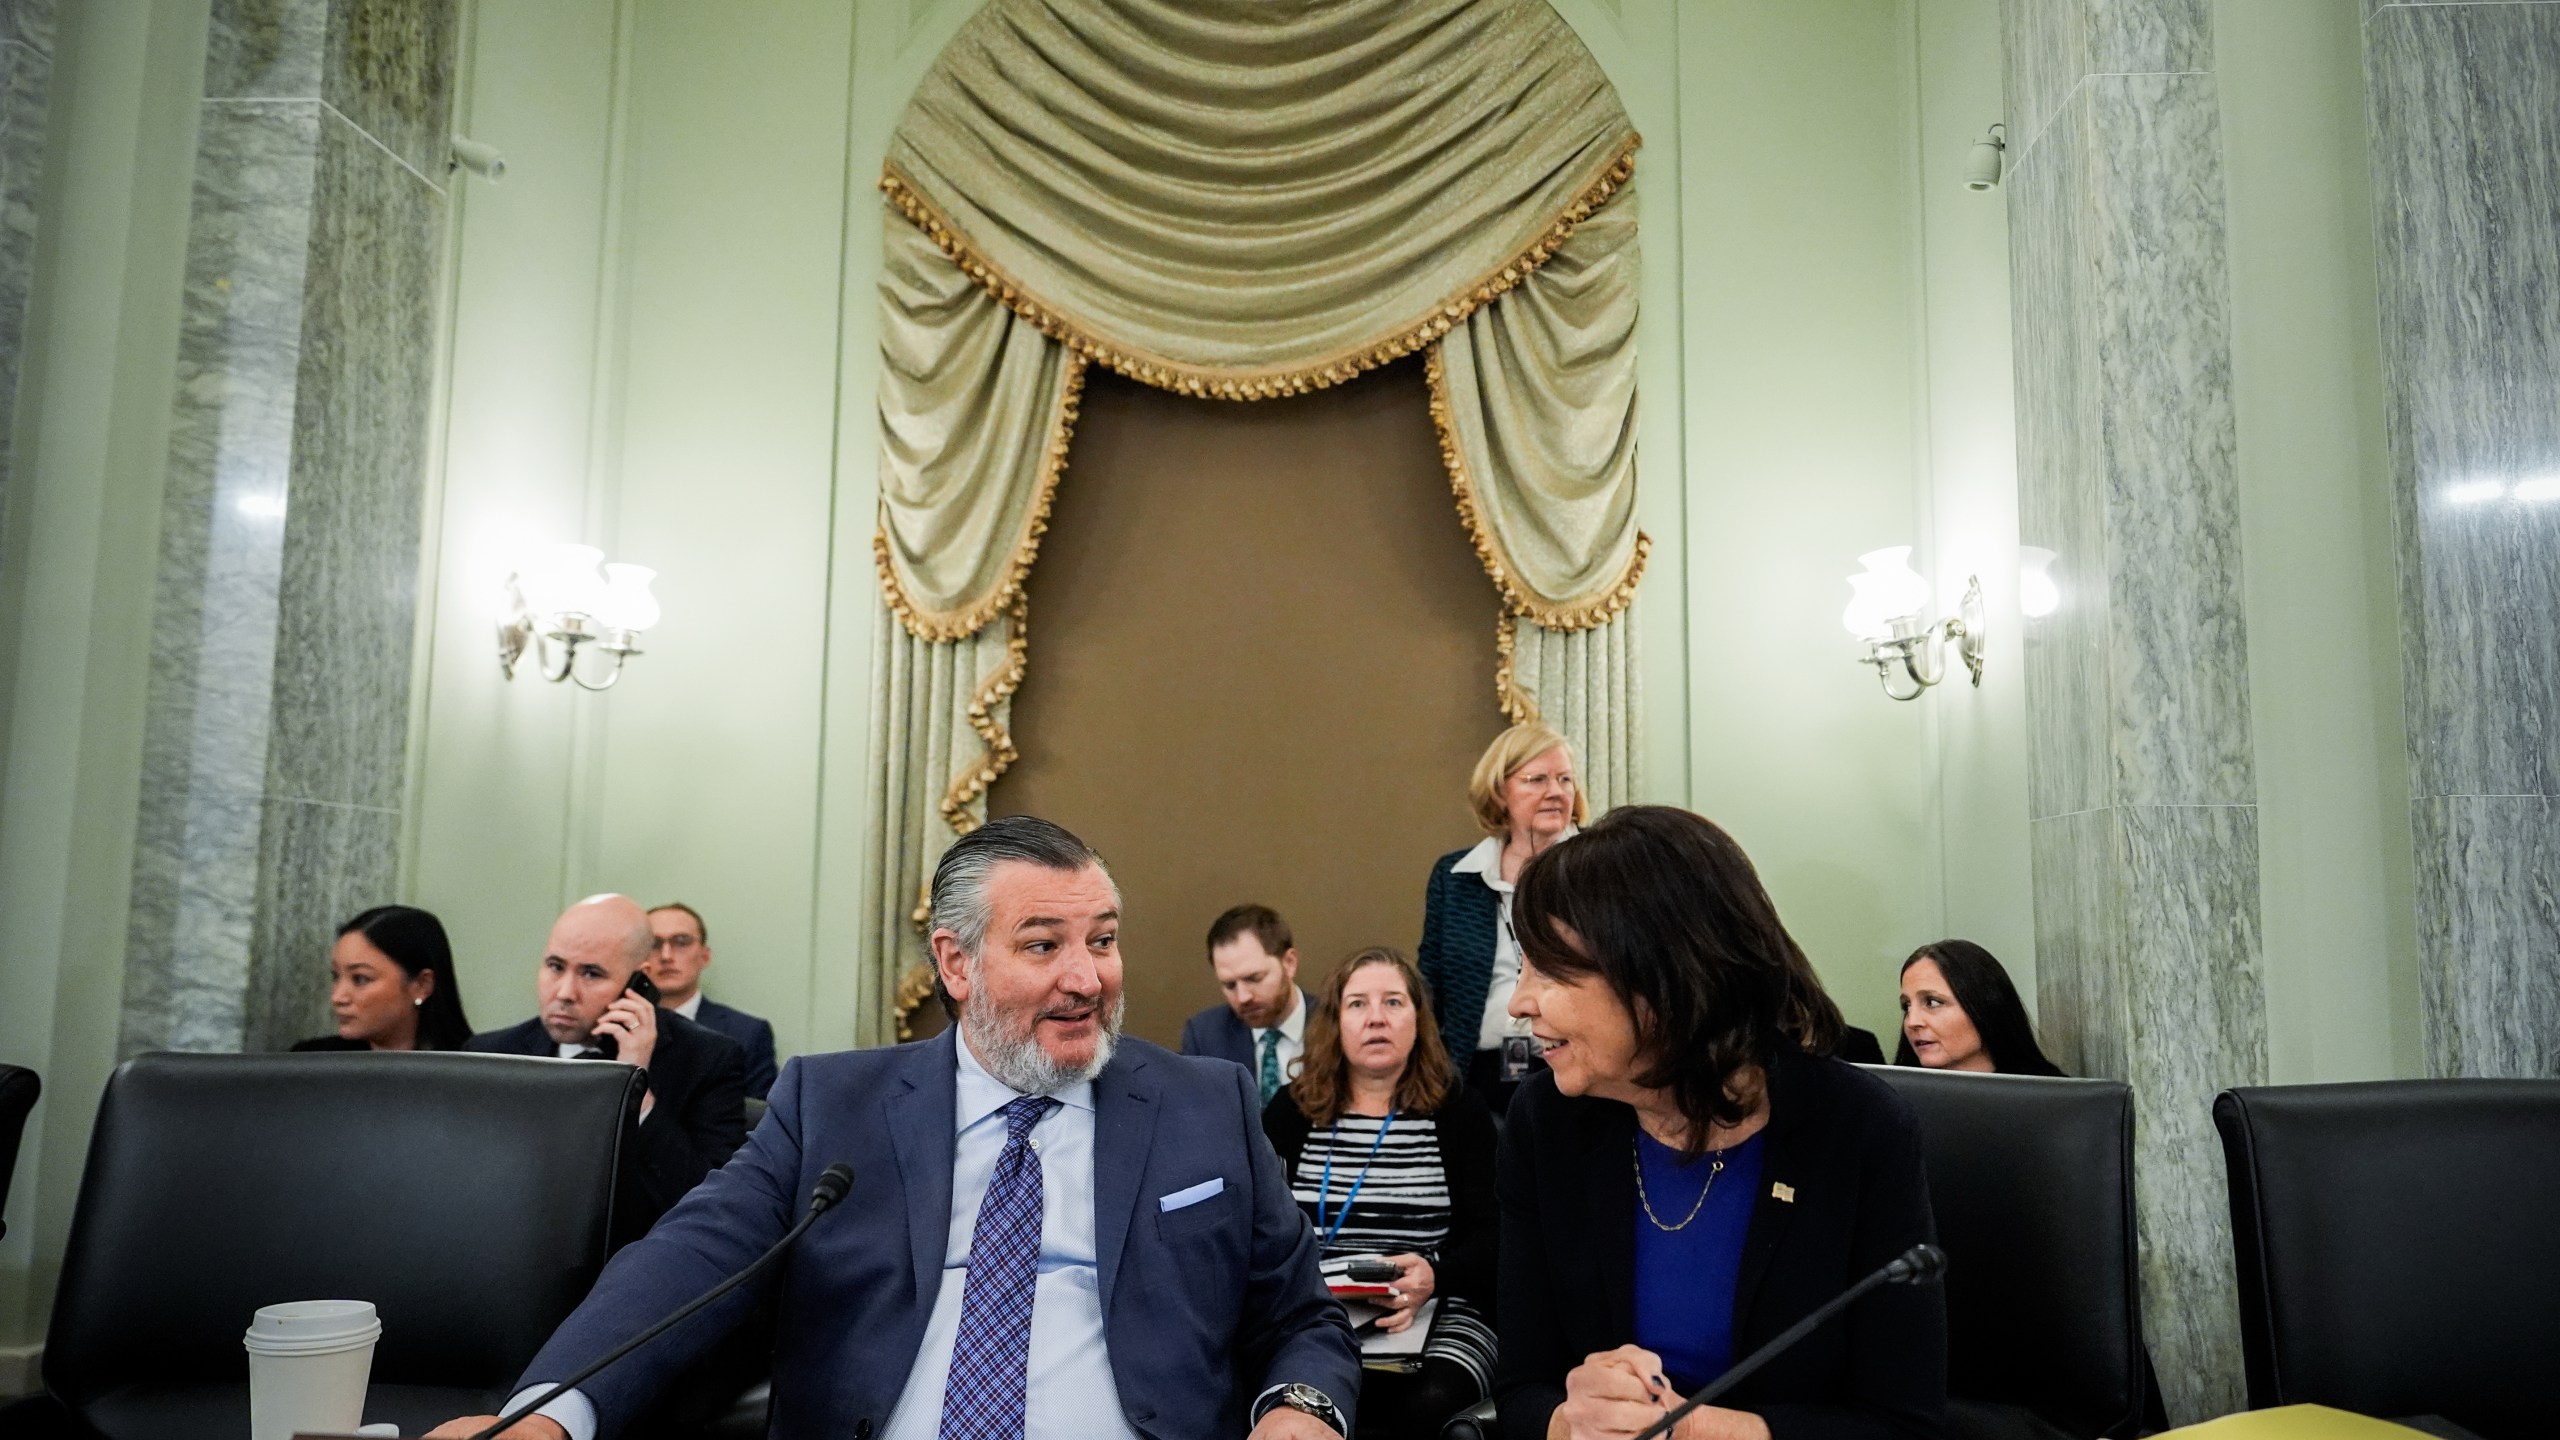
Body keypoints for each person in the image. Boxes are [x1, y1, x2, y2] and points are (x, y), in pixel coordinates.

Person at [430, 817, 1359, 1440]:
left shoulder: (1207, 1103)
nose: (1089, 977)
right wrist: (548, 1414)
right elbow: (689, 1262)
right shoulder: (829, 1104)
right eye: (1044, 945)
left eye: (1104, 939)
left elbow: (1300, 1316)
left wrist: (1302, 1410)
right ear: (956, 963)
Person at [1496, 806, 1945, 1440]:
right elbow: (1519, 1390)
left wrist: (1698, 1430)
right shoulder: (1546, 1122)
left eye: (1548, 969)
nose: (1519, 1001)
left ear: (1663, 972)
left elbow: (1902, 1424)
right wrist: (1570, 1420)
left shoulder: (1859, 1129)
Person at [1262, 948, 1499, 1438]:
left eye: (1393, 1003)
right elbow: (1258, 1228)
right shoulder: (1293, 1111)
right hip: (1315, 1308)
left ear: (1418, 1020)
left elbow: (1494, 1234)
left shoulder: (1459, 1111)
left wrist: (1436, 1275)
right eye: (1357, 1005)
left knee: (1429, 1401)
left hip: (1436, 1306)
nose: (1376, 1018)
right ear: (1335, 1023)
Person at [465, 894, 750, 1236]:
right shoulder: (490, 1053)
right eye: (555, 966)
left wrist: (636, 1089)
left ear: (639, 982)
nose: (565, 992)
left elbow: (713, 1205)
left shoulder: (707, 1059)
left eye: (591, 974)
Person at [1417, 722, 1584, 1115]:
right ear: (1499, 791)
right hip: (1473, 1078)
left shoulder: (1596, 869)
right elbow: (1431, 981)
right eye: (1537, 779)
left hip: (1574, 1071)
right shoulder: (1455, 875)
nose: (1556, 792)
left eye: (1565, 780)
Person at [292, 905, 474, 1052]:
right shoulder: (312, 1063)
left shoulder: (474, 1071)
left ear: (421, 985)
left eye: (360, 979)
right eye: (336, 976)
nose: (338, 997)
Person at [646, 902, 781, 1099]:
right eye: (653, 944)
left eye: (681, 941)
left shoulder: (747, 1034)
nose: (666, 956)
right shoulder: (611, 1028)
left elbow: (761, 1121)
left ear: (705, 956)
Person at [1180, 903, 1312, 1104]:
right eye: (1230, 985)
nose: (1243, 997)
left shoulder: (1337, 1024)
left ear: (1289, 963)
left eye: (1254, 978)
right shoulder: (1205, 1036)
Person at [1893, 940, 2065, 1076]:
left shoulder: (2058, 1102)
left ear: (1984, 1006)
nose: (1912, 1021)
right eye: (1906, 1006)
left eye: (1933, 1002)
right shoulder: (1888, 1105)